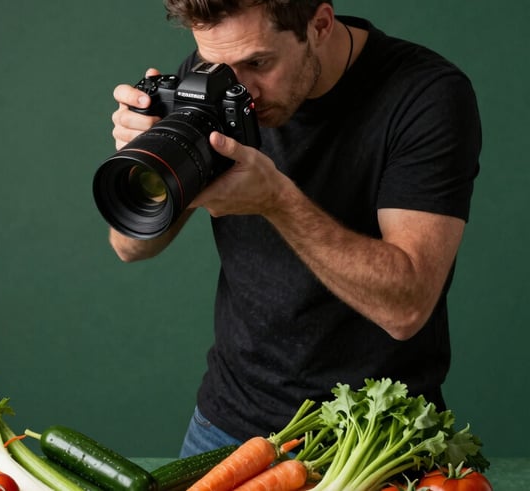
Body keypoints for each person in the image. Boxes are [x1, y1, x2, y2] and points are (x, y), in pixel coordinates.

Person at [107, 0, 481, 457]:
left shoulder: (423, 94)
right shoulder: (210, 80)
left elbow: (406, 309)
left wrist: (278, 202)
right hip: (226, 424)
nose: (239, 90)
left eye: (258, 63)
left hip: (373, 435)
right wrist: (147, 161)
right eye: (214, 64)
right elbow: (128, 245)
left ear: (319, 24)